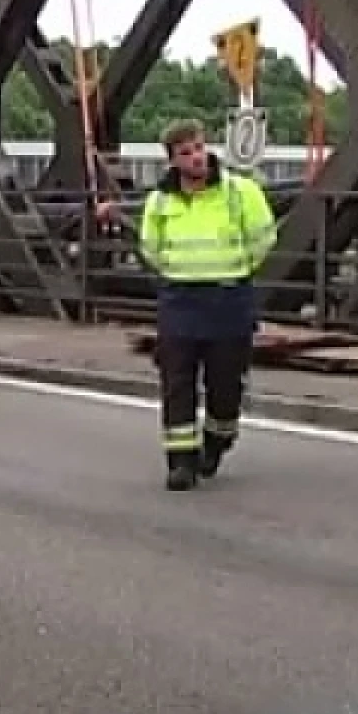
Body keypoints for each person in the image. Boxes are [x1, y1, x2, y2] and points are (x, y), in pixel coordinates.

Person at [97, 119, 275, 491]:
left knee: (225, 385)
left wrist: (235, 270)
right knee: (176, 382)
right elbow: (151, 247)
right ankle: (181, 461)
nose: (195, 157)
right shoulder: (159, 201)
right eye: (185, 153)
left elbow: (263, 238)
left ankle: (217, 440)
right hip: (180, 301)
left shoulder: (240, 192)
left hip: (228, 299)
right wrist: (181, 273)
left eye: (198, 148)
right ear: (172, 161)